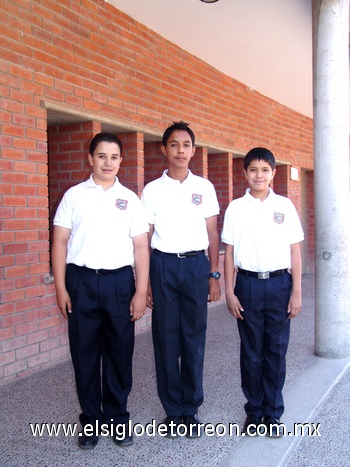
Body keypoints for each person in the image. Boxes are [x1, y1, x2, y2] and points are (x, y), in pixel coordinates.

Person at [51, 133, 149, 450]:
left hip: (120, 284)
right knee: (85, 355)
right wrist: (60, 287)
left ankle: (118, 419)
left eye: (114, 157)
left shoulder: (131, 200)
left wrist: (140, 291)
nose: (108, 162)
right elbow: (60, 242)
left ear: (122, 161)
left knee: (120, 354)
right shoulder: (74, 196)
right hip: (80, 283)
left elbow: (141, 249)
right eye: (102, 156)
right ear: (90, 158)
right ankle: (91, 421)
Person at [141, 121, 221, 439]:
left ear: (193, 150)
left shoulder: (204, 188)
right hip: (162, 266)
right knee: (165, 339)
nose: (180, 151)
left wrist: (214, 275)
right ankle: (173, 411)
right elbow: (144, 238)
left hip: (195, 267)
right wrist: (144, 282)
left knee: (193, 338)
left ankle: (191, 408)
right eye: (174, 145)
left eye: (185, 145)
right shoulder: (151, 190)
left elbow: (213, 234)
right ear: (164, 149)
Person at [221, 147, 304, 438]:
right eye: (253, 170)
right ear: (245, 173)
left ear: (273, 173)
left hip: (280, 285)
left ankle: (273, 413)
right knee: (252, 352)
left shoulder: (285, 206)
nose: (259, 175)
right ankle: (254, 412)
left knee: (276, 351)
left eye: (265, 170)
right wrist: (229, 293)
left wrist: (297, 291)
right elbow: (229, 253)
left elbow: (295, 250)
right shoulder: (236, 208)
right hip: (248, 286)